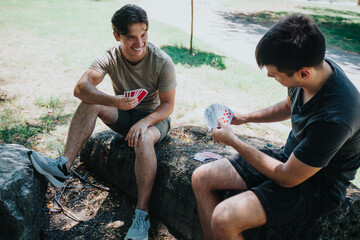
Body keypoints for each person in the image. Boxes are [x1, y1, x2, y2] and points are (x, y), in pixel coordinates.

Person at [192, 13, 360, 240]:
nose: (271, 77)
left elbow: (287, 177)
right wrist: (245, 118)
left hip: (318, 185)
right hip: (289, 157)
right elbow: (288, 105)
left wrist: (234, 141)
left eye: (274, 75)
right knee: (201, 177)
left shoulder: (334, 118)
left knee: (224, 217)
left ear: (303, 73)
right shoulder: (310, 70)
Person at [28, 4, 176, 240]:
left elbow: (168, 106)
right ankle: (63, 166)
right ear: (117, 36)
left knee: (144, 139)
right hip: (124, 114)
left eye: (144, 34)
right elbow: (80, 89)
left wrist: (144, 123)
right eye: (131, 37)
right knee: (90, 102)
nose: (139, 43)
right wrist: (114, 101)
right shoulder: (110, 56)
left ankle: (142, 215)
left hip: (154, 119)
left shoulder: (162, 61)